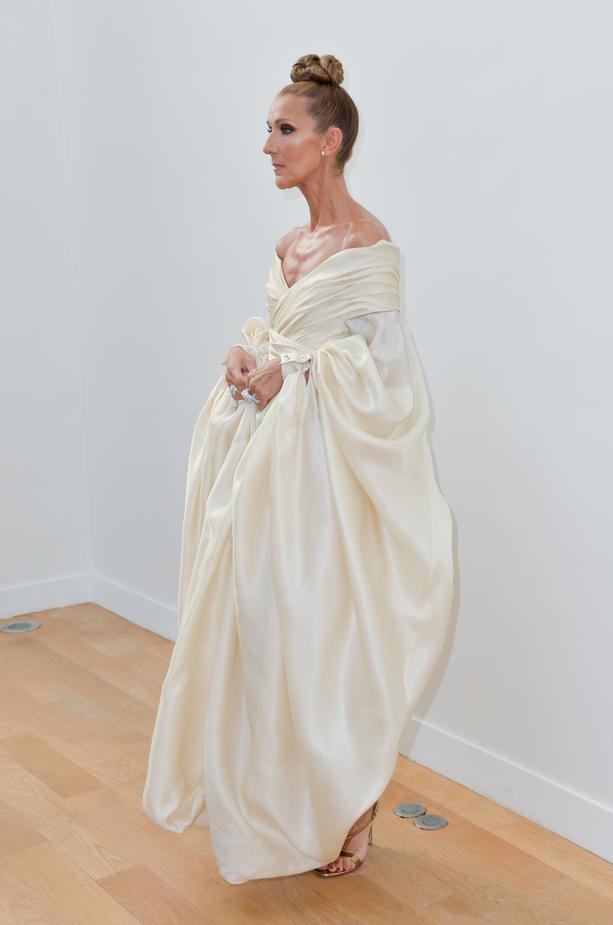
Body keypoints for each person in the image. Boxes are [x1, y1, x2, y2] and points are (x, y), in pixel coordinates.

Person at [142, 52, 454, 885]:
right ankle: (278, 804)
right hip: (264, 459)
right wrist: (249, 358)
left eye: (284, 130)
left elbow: (389, 378)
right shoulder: (287, 244)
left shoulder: (370, 245)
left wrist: (300, 374)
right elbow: (281, 337)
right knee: (262, 626)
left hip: (327, 473)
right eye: (268, 129)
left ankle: (355, 807)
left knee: (326, 628)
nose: (268, 145)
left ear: (330, 141)